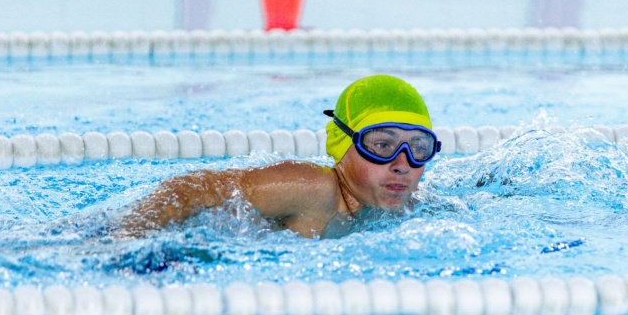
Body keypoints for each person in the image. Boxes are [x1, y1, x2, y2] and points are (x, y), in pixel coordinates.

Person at [118, 74, 441, 239]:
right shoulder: (312, 187)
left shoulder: (407, 209)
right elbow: (190, 188)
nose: (402, 165)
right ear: (342, 144)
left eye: (418, 148)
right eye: (382, 145)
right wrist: (127, 238)